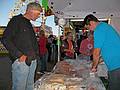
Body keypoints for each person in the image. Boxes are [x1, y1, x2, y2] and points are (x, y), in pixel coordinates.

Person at [1, 2, 42, 90]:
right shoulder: (16, 20)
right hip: (22, 62)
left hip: (32, 61)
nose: (39, 16)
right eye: (38, 13)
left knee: (30, 86)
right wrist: (19, 55)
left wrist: (36, 56)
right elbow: (5, 39)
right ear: (31, 10)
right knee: (19, 87)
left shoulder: (29, 23)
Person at [83, 14, 120, 90]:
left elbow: (96, 52)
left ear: (92, 22)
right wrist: (97, 62)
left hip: (116, 65)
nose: (90, 30)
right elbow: (107, 51)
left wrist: (94, 67)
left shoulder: (99, 29)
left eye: (88, 27)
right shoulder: (104, 26)